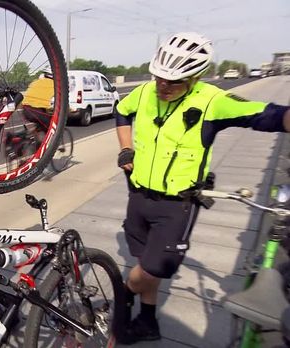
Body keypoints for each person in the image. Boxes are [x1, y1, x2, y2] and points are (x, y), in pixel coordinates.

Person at [114, 31, 290, 344]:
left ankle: (125, 294)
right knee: (146, 266)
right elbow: (121, 111)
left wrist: (286, 117)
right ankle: (148, 322)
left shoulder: (212, 101)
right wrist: (126, 149)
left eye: (173, 81)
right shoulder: (143, 92)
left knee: (150, 270)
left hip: (176, 206)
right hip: (138, 196)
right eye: (159, 78)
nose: (162, 86)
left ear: (195, 77)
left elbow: (264, 115)